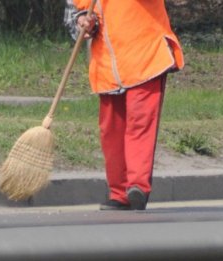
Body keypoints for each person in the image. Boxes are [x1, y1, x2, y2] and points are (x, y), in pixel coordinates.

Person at [64, 0, 184, 210]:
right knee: (111, 131)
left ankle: (137, 186)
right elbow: (73, 17)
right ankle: (119, 193)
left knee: (140, 123)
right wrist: (84, 22)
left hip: (145, 57)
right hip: (108, 67)